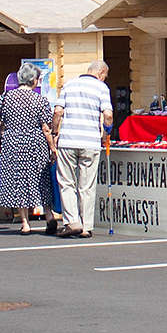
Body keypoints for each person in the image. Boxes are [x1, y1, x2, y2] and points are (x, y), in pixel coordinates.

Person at [0, 63, 58, 235]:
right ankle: (49, 216)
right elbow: (46, 128)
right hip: (35, 144)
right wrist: (52, 148)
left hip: (13, 144)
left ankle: (25, 223)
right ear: (33, 80)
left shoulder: (6, 98)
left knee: (18, 181)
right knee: (41, 180)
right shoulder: (40, 100)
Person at [52, 60, 113, 238]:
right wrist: (106, 133)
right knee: (87, 186)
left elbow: (58, 112)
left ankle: (72, 222)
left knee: (67, 183)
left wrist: (55, 132)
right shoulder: (101, 88)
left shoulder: (69, 84)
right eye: (105, 76)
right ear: (101, 73)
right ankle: (86, 226)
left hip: (68, 140)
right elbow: (108, 115)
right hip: (90, 142)